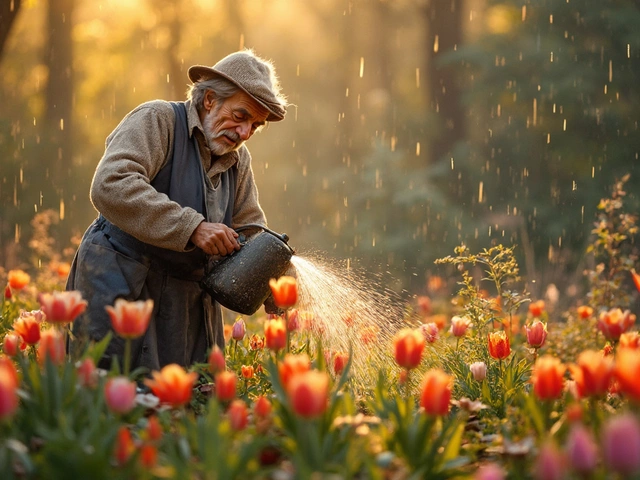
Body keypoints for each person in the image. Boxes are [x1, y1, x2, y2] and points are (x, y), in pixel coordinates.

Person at [67, 49, 288, 371]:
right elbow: (111, 184)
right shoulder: (159, 119)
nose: (244, 133)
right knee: (112, 395)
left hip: (187, 302)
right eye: (241, 116)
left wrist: (278, 281)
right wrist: (193, 227)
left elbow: (251, 229)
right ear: (210, 99)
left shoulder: (239, 160)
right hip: (120, 283)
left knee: (189, 406)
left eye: (255, 126)